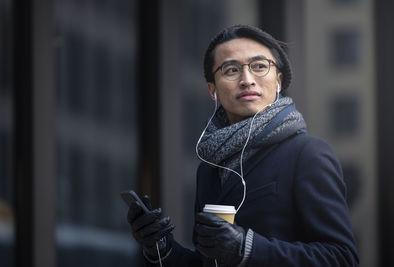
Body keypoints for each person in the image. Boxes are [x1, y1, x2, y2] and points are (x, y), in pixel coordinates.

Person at [125, 25, 359, 266]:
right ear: (212, 90)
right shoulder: (209, 167)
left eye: (259, 66)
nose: (247, 80)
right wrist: (161, 249)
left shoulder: (307, 153)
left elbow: (342, 258)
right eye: (231, 70)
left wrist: (247, 247)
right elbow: (211, 262)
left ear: (278, 81)